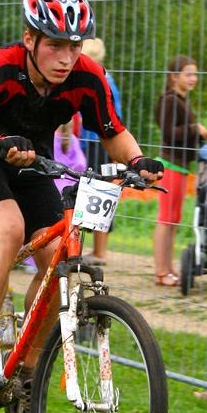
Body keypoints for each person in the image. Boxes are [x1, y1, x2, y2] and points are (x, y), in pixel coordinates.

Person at [0, 0, 164, 413]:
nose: (66, 57)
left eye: (75, 46)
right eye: (55, 45)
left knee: (60, 260)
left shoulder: (87, 76)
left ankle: (26, 375)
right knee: (8, 230)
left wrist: (136, 161)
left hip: (32, 162)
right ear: (30, 39)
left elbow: (113, 131)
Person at [153, 55, 207, 286]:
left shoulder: (180, 101)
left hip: (180, 166)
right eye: (188, 74)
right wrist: (194, 127)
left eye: (195, 74)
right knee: (166, 220)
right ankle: (161, 272)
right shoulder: (169, 101)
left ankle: (169, 269)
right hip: (170, 165)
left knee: (174, 219)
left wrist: (206, 134)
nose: (193, 78)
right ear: (174, 77)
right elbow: (170, 133)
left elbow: (185, 134)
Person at [80, 38, 123, 265]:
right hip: (92, 144)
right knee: (94, 195)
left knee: (100, 194)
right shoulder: (107, 79)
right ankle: (97, 250)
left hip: (98, 144)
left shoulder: (103, 82)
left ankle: (100, 252)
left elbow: (115, 118)